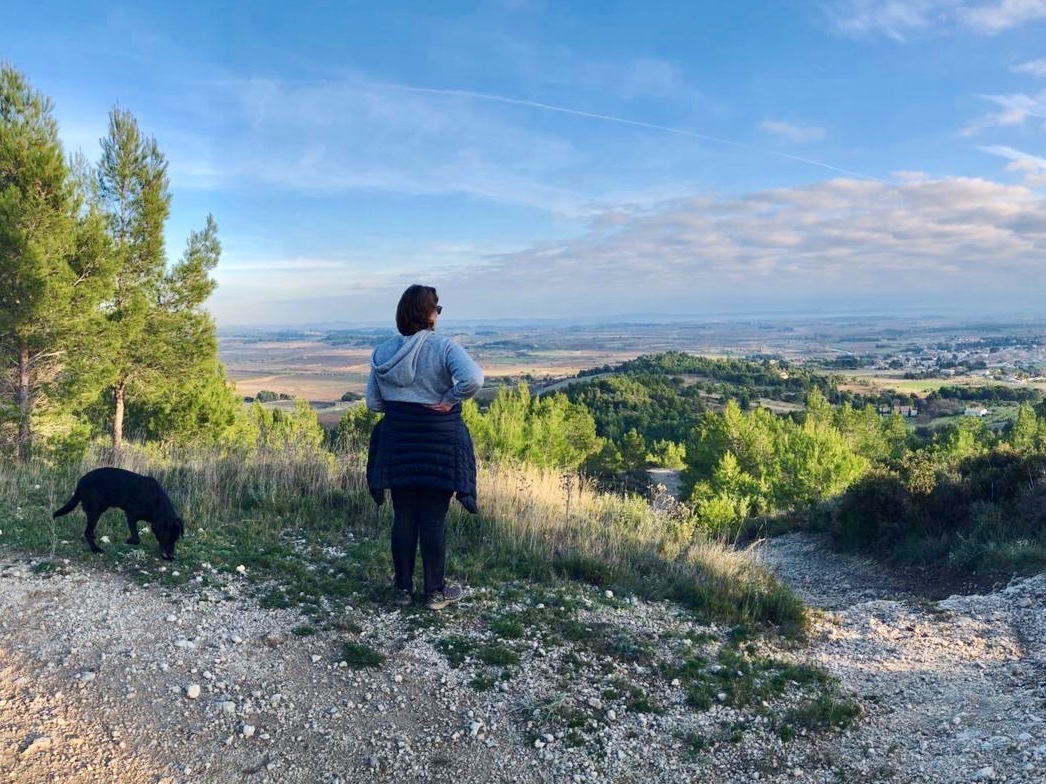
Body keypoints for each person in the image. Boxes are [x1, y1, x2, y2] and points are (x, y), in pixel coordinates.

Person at [365, 284, 484, 610]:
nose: (439, 314)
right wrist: (449, 400)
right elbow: (474, 379)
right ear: (428, 314)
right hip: (439, 443)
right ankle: (435, 593)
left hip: (399, 442)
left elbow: (374, 404)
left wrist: (401, 407)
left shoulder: (382, 353)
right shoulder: (443, 347)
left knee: (403, 517)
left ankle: (402, 590)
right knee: (433, 519)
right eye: (437, 308)